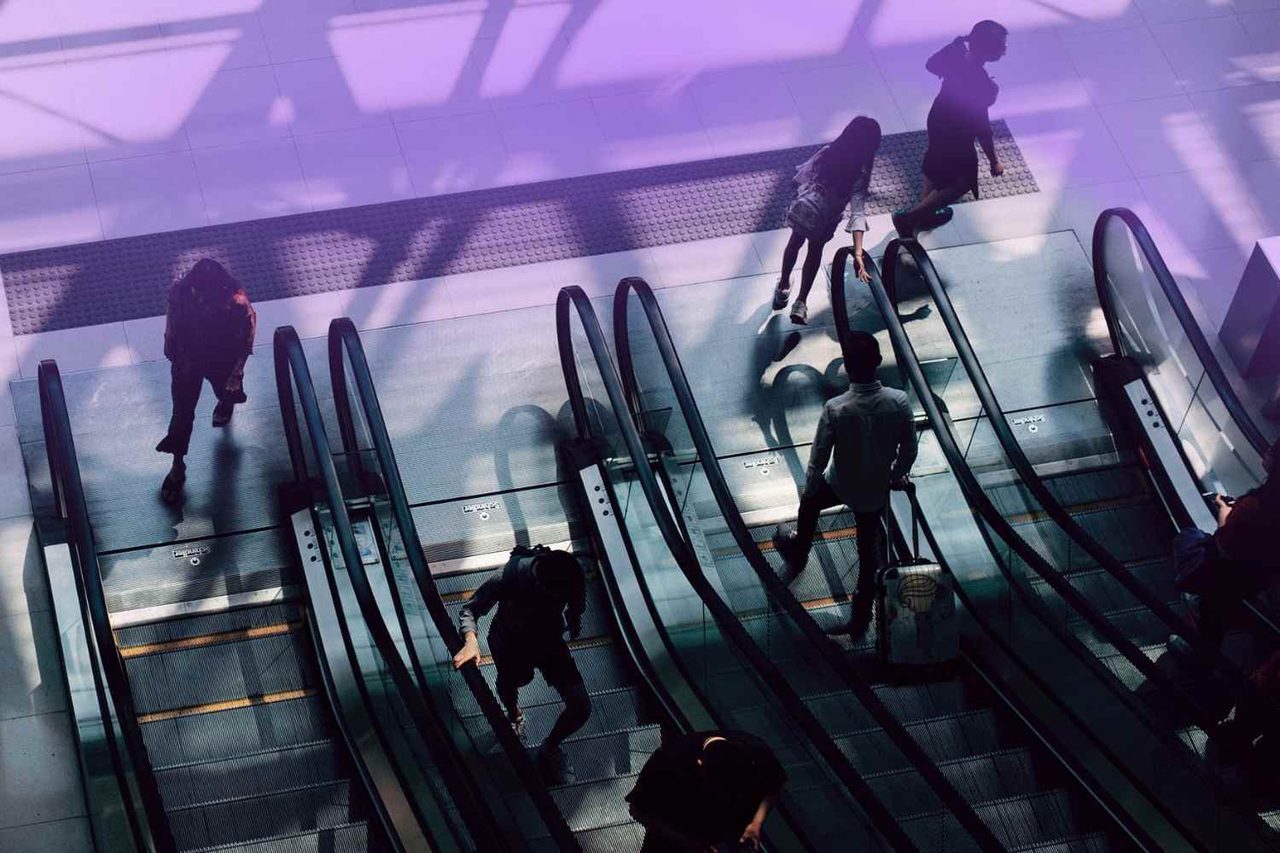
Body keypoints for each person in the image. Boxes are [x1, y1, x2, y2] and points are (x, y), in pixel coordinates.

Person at [772, 331, 917, 637]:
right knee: (868, 558)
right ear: (877, 362)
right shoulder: (899, 401)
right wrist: (895, 475)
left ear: (848, 369)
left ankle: (799, 551)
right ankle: (859, 621)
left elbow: (819, 457)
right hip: (873, 492)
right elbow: (909, 449)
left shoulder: (837, 408)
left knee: (809, 505)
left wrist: (810, 487)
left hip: (839, 483)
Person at [452, 545, 590, 784]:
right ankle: (514, 716)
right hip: (509, 643)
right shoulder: (509, 576)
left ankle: (550, 747)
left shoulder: (570, 577)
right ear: (539, 584)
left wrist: (575, 617)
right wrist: (471, 641)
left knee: (581, 707)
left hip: (549, 642)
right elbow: (470, 609)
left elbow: (577, 599)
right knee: (511, 683)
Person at [892, 20, 1008, 238]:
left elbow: (931, 65)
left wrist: (956, 46)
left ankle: (924, 215)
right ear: (988, 49)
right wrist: (994, 160)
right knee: (962, 181)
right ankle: (910, 218)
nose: (1004, 50)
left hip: (938, 118)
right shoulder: (984, 85)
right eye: (1001, 46)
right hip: (957, 133)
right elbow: (982, 127)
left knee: (935, 162)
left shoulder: (956, 54)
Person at [155, 258, 256, 504]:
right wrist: (170, 345)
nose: (198, 297)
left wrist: (237, 372)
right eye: (195, 291)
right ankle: (177, 466)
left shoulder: (236, 303)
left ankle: (225, 402)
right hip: (187, 359)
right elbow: (173, 316)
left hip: (221, 359)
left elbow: (246, 339)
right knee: (181, 414)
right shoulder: (182, 290)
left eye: (203, 293)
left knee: (227, 390)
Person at [1171, 442, 1280, 658]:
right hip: (1261, 577)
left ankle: (1198, 655)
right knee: (1220, 612)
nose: (1267, 449)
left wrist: (1224, 510)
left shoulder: (1254, 506)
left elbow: (1225, 544)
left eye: (1275, 450)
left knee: (1189, 538)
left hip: (1229, 573)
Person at [773, 116, 882, 326]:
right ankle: (801, 303)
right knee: (814, 253)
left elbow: (800, 177)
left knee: (794, 244)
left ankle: (783, 287)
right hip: (826, 220)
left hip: (805, 212)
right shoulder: (860, 171)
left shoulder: (829, 152)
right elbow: (857, 211)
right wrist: (858, 251)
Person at [627, 731, 786, 852]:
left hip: (717, 834)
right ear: (699, 763)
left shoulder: (755, 753)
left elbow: (773, 785)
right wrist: (691, 844)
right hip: (674, 835)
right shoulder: (667, 761)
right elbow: (638, 809)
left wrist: (756, 823)